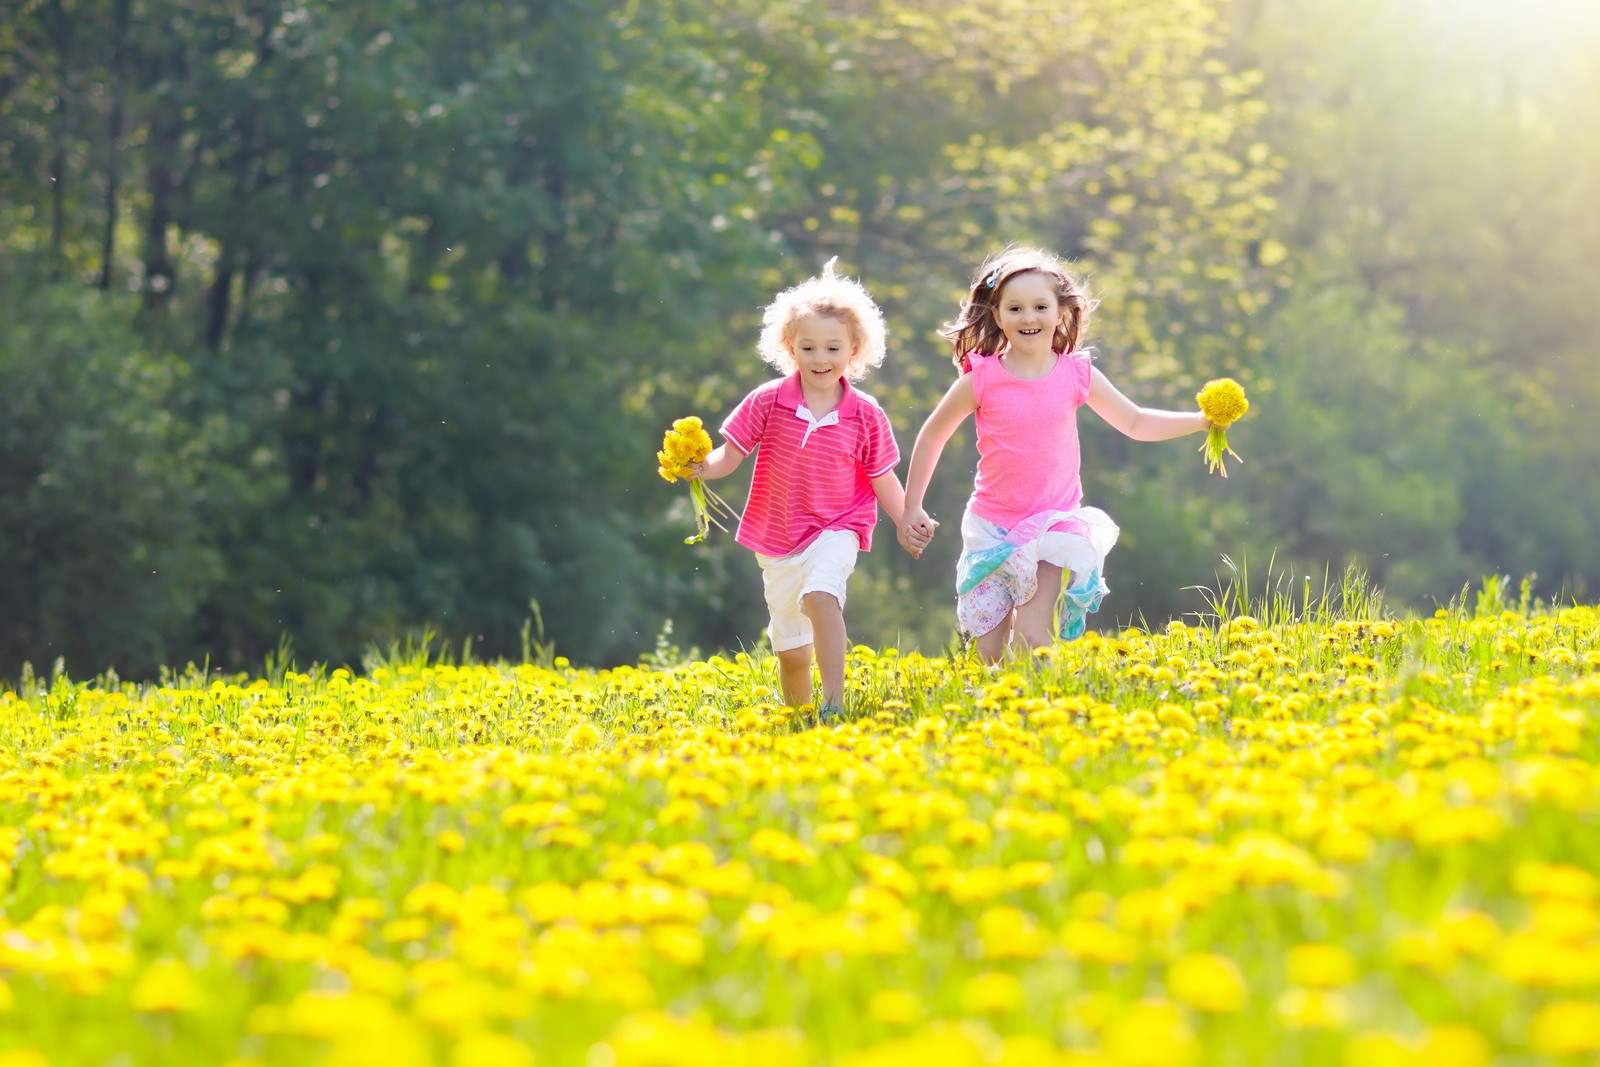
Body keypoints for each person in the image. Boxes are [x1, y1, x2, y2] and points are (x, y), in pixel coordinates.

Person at [899, 246, 1212, 662]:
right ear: (997, 315)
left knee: (1032, 637)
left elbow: (1134, 422)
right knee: (986, 653)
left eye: (1039, 306)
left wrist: (1199, 420)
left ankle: (1038, 708)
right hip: (990, 528)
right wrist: (911, 507)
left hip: (1050, 525)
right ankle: (998, 714)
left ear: (1060, 312)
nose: (1028, 317)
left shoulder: (1076, 374)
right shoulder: (982, 379)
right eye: (1015, 308)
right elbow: (933, 435)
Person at [693, 259, 931, 719]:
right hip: (777, 538)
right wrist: (700, 468)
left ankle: (834, 705)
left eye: (832, 348)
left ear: (854, 350)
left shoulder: (866, 414)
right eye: (808, 347)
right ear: (789, 348)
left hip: (837, 527)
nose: (820, 358)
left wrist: (908, 520)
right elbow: (729, 456)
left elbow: (883, 478)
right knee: (792, 655)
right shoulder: (767, 400)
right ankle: (800, 722)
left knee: (821, 596)